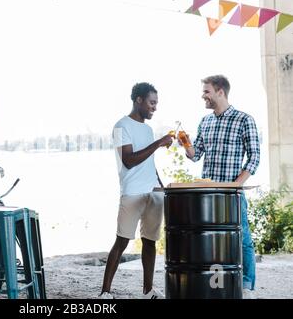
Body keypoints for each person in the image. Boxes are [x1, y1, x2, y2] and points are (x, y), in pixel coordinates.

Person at [180, 75, 260, 298]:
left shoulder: (244, 120)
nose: (203, 95)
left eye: (206, 91)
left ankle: (246, 286)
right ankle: (217, 282)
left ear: (220, 92)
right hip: (207, 194)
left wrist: (236, 185)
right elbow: (196, 155)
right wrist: (186, 145)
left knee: (242, 238)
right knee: (211, 239)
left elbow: (254, 158)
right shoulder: (205, 121)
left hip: (232, 193)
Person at [99, 82, 173, 299]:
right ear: (138, 100)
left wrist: (161, 184)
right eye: (152, 102)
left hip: (154, 192)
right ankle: (105, 293)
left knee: (150, 241)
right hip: (132, 192)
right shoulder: (121, 126)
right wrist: (159, 143)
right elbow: (129, 161)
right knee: (122, 241)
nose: (155, 107)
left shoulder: (147, 129)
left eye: (156, 103)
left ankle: (148, 290)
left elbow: (148, 162)